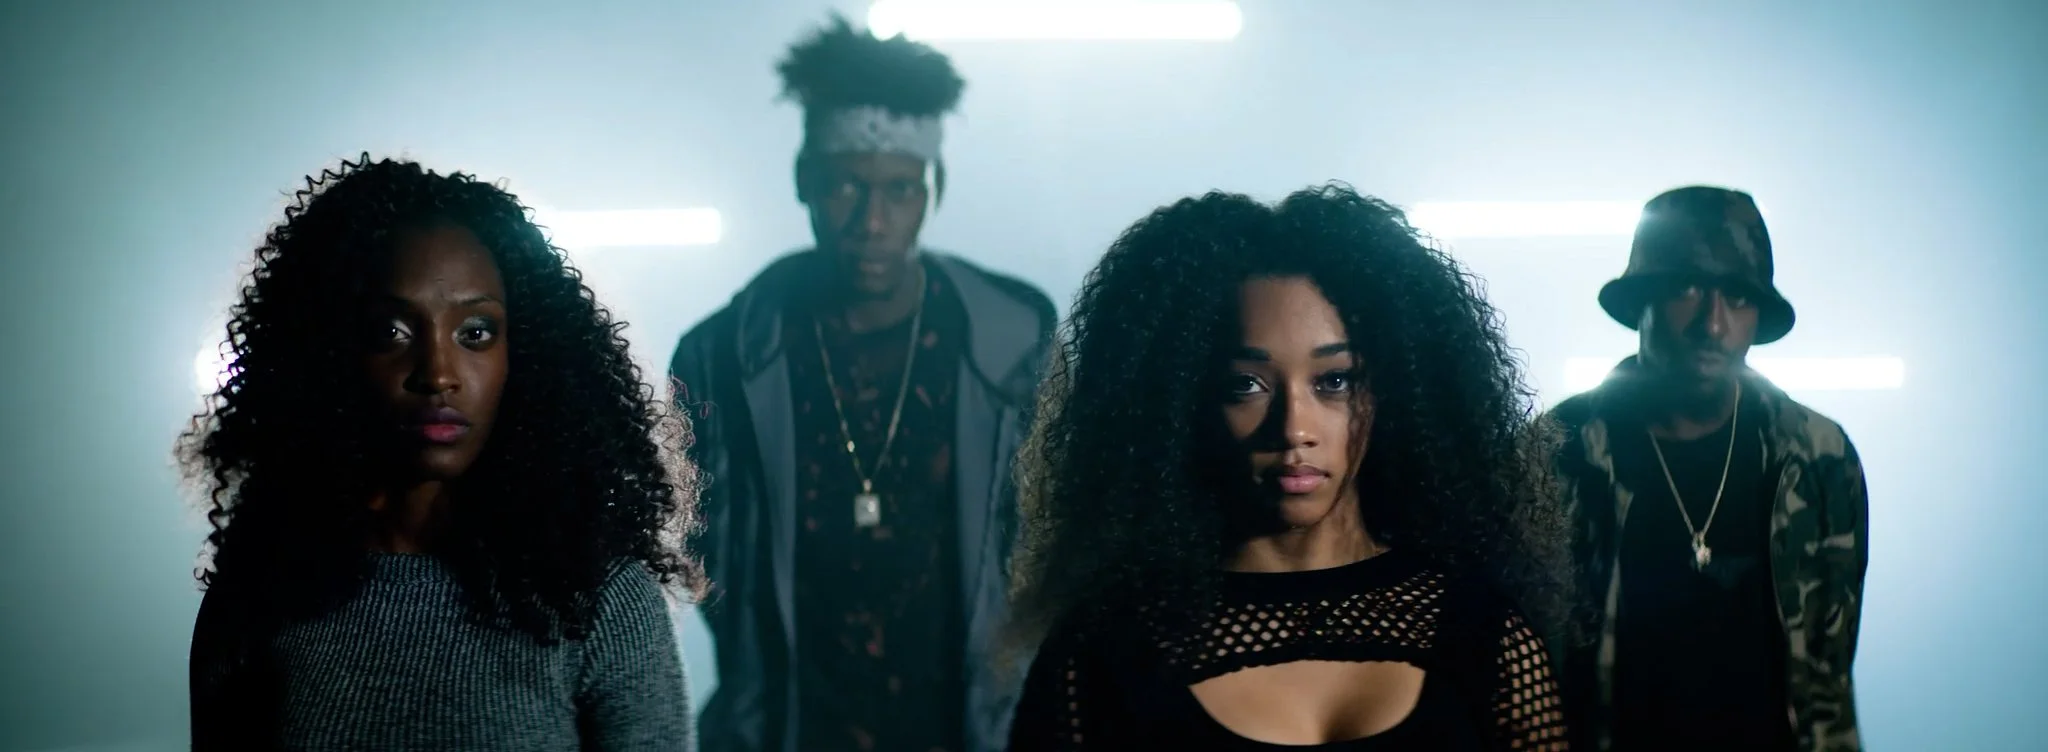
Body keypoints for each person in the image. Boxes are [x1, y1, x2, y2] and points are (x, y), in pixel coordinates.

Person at [1006, 184, 1577, 751]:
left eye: (1334, 381)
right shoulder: (1109, 646)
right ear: (1180, 402)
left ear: (1396, 390)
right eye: (1245, 385)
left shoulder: (1479, 628)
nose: (1293, 428)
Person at [181, 155, 704, 751]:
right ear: (328, 355)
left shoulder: (599, 598)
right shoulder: (259, 595)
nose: (437, 374)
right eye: (391, 333)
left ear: (525, 356)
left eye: (475, 333)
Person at [669, 14, 1056, 752]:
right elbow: (694, 546)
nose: (872, 221)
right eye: (846, 186)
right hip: (788, 720)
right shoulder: (722, 351)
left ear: (933, 188)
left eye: (901, 189)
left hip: (973, 720)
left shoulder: (1013, 335)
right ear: (804, 182)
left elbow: (1055, 530)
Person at [1545, 186, 1869, 752]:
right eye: (1687, 288)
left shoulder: (1819, 457)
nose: (1713, 324)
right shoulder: (1560, 455)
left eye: (1739, 298)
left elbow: (1827, 666)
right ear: (1642, 300)